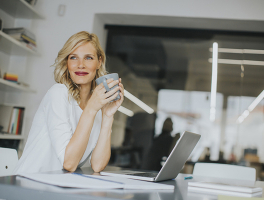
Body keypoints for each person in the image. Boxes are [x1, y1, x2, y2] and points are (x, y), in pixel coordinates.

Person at [13, 31, 124, 174]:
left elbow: (97, 165)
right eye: (73, 58)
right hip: (28, 184)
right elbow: (69, 164)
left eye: (88, 58)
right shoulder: (58, 93)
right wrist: (91, 109)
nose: (80, 65)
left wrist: (108, 116)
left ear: (99, 62)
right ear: (67, 62)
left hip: (58, 186)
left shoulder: (96, 106)